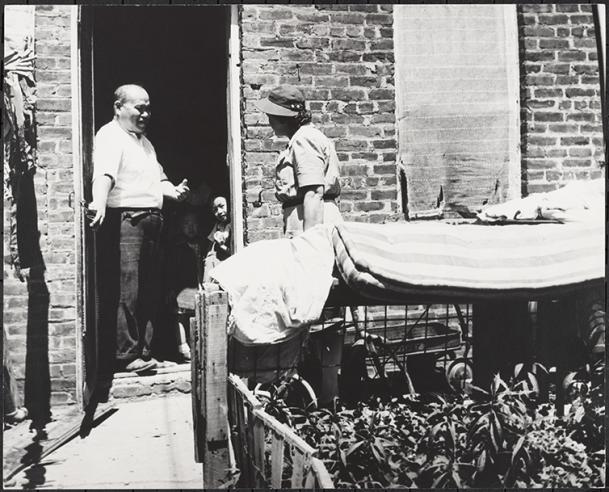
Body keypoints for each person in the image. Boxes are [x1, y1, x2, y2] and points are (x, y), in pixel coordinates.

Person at [254, 85, 364, 401]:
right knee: (317, 308)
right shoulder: (307, 137)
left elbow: (313, 193)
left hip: (311, 221)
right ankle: (322, 391)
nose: (269, 120)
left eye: (272, 114)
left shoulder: (303, 140)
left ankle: (328, 396)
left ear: (285, 117)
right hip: (307, 219)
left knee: (322, 305)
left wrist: (309, 246)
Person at [88, 84, 190, 374]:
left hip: (152, 221)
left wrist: (173, 191)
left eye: (148, 107)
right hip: (128, 220)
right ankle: (125, 354)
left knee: (148, 289)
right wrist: (99, 202)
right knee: (127, 290)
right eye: (139, 107)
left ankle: (143, 352)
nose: (145, 113)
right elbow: (105, 173)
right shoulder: (110, 136)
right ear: (119, 107)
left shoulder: (145, 143)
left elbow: (159, 179)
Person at [165, 209, 206, 362]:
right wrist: (170, 288)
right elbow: (170, 268)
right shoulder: (177, 246)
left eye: (194, 224)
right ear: (180, 227)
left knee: (196, 314)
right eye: (186, 224)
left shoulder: (201, 243)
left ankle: (196, 345)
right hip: (181, 286)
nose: (191, 227)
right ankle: (182, 345)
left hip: (197, 284)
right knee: (180, 315)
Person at [203, 195, 232, 283]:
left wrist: (222, 246)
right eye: (215, 210)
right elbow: (211, 243)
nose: (219, 212)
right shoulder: (218, 225)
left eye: (222, 206)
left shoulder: (233, 224)